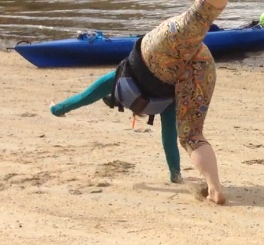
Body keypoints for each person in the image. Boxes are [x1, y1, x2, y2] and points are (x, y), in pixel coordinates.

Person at [96, 0, 247, 205]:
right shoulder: (118, 84)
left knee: (191, 135)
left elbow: (169, 139)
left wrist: (58, 110)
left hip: (182, 64)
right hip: (185, 58)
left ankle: (215, 187)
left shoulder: (155, 103)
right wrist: (58, 108)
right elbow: (81, 97)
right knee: (194, 19)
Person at [50, 72, 182, 184]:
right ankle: (175, 175)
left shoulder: (123, 74)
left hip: (127, 78)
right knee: (170, 135)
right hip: (166, 93)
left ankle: (58, 109)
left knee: (86, 96)